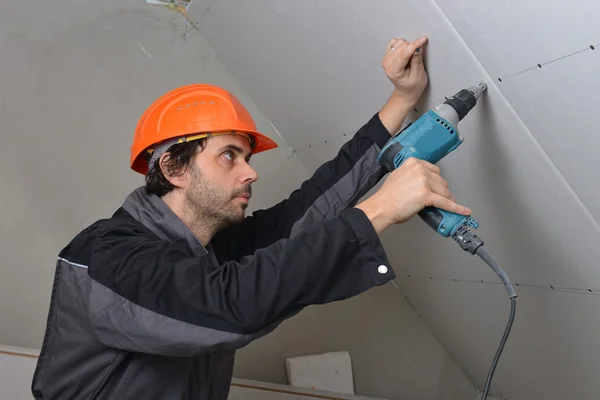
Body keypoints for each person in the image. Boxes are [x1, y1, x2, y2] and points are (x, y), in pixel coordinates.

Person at [31, 35, 471, 399]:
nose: (250, 171)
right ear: (173, 168)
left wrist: (401, 100)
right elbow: (227, 307)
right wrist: (378, 209)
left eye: (246, 156)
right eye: (229, 156)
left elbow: (307, 210)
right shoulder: (109, 256)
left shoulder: (205, 247)